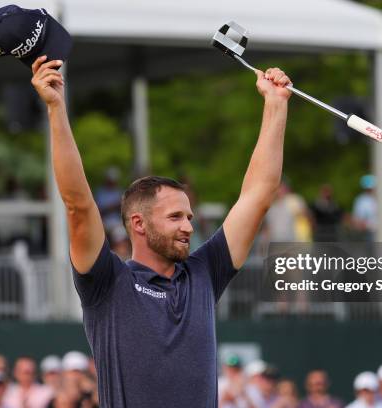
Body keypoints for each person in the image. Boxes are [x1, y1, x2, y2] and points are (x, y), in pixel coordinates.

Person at [30, 50, 292, 407]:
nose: (187, 226)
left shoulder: (203, 274)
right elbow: (77, 204)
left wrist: (276, 105)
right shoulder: (107, 282)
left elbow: (258, 195)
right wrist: (56, 109)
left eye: (188, 217)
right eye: (175, 217)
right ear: (138, 223)